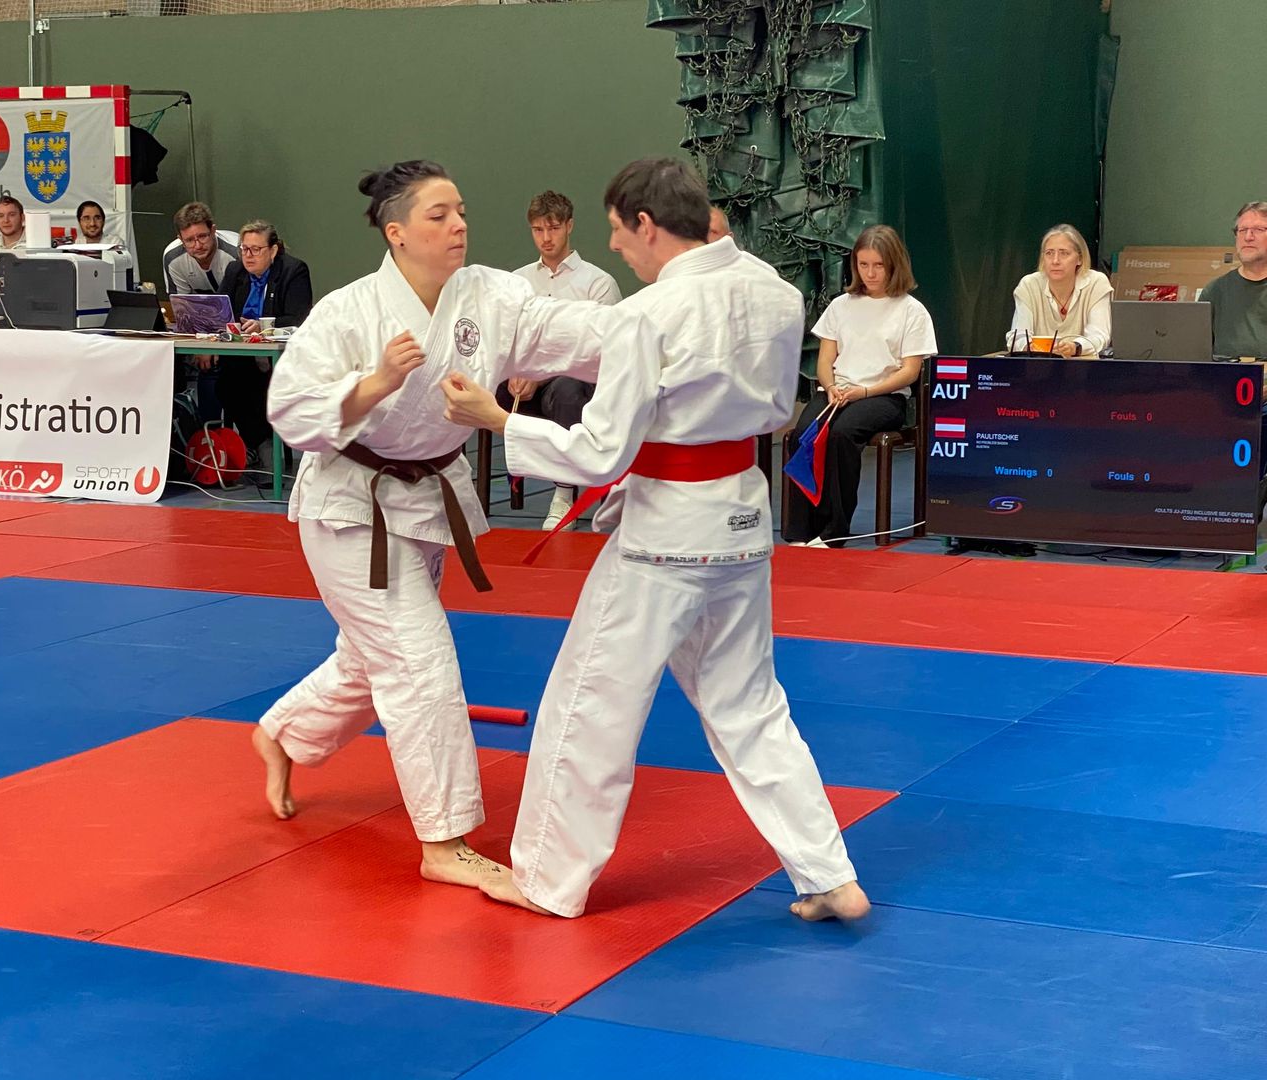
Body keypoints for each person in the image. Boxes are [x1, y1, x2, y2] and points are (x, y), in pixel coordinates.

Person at [439, 157, 869, 923]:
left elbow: (601, 452)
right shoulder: (775, 291)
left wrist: (498, 420)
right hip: (743, 521)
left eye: (616, 230)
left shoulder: (651, 314)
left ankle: (548, 880)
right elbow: (778, 411)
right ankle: (829, 873)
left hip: (667, 535)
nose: (614, 246)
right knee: (751, 706)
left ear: (646, 224)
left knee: (589, 703)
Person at [252, 160, 614, 890]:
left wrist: (665, 324)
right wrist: (375, 383)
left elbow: (573, 329)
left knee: (373, 658)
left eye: (461, 212)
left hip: (424, 501)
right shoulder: (350, 313)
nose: (458, 226)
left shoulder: (489, 295)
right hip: (349, 508)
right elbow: (288, 409)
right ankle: (445, 842)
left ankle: (284, 733)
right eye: (439, 215)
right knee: (418, 661)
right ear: (397, 233)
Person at [781, 225, 936, 547]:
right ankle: (800, 531)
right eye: (863, 265)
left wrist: (864, 391)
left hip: (884, 396)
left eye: (878, 265)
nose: (870, 273)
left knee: (841, 435)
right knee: (802, 436)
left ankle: (833, 531)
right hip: (837, 391)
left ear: (894, 265)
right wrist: (830, 386)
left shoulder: (911, 310)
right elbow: (825, 361)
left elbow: (910, 372)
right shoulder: (841, 305)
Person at [506, 190, 622, 528]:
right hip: (524, 381)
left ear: (569, 226)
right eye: (538, 230)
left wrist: (541, 373)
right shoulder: (517, 281)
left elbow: (601, 350)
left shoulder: (598, 283)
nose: (546, 237)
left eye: (553, 228)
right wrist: (513, 370)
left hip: (576, 382)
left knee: (568, 391)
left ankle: (563, 492)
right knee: (480, 387)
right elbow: (505, 337)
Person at [219, 220, 314, 459]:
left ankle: (260, 442)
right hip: (241, 352)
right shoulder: (235, 271)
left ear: (273, 251)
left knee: (247, 376)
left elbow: (298, 317)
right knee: (222, 378)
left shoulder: (293, 270)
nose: (248, 255)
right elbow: (221, 310)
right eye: (244, 249)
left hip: (279, 353)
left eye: (255, 249)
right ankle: (250, 441)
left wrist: (262, 327)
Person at [1006, 224, 1111, 357]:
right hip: (1038, 365)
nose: (1055, 261)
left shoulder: (1096, 283)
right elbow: (1017, 336)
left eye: (1064, 253)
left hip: (1082, 365)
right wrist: (1029, 347)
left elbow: (1100, 335)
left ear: (1080, 258)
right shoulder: (1029, 285)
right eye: (1049, 253)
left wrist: (1075, 347)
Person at [1200, 201, 1267, 358]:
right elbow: (1196, 352)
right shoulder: (1215, 291)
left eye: (1258, 230)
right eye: (1242, 230)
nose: (1248, 237)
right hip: (1224, 372)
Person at [162, 202, 239, 294]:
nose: (198, 246)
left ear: (213, 231)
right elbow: (181, 301)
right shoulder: (173, 258)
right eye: (189, 240)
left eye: (202, 236)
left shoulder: (238, 253)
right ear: (181, 240)